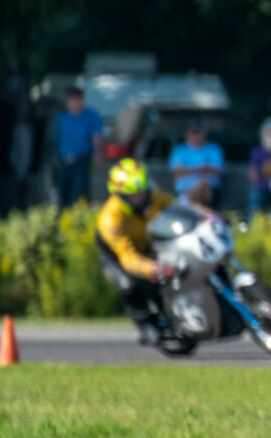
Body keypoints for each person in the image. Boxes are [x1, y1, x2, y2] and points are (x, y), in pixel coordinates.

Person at [95, 159, 187, 349]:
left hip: (146, 244)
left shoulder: (155, 197)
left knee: (168, 277)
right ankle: (145, 323)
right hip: (118, 255)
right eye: (133, 195)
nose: (140, 198)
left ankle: (173, 316)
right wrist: (152, 268)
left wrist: (207, 216)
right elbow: (128, 258)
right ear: (120, 195)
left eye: (142, 192)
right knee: (130, 284)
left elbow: (180, 209)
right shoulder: (110, 219)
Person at [53, 87, 103, 207]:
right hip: (63, 160)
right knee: (61, 193)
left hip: (81, 160)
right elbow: (56, 139)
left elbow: (96, 136)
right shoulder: (61, 117)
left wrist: (98, 153)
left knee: (78, 193)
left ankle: (76, 219)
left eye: (77, 100)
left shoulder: (91, 116)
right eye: (71, 100)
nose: (74, 103)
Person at [167, 119, 223, 206]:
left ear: (204, 134)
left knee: (202, 185)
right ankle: (187, 205)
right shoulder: (179, 150)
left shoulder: (214, 149)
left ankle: (183, 204)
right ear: (187, 134)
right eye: (192, 132)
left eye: (198, 132)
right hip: (184, 190)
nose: (195, 136)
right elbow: (177, 173)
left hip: (210, 193)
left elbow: (217, 172)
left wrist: (188, 170)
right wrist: (203, 168)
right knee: (199, 185)